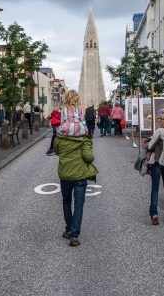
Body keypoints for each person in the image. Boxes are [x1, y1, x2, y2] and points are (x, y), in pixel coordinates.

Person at [53, 91, 98, 247]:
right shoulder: (84, 136)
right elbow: (89, 158)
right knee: (79, 204)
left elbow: (57, 151)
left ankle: (68, 229)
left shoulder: (59, 136)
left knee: (66, 200)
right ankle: (74, 235)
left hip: (65, 173)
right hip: (80, 175)